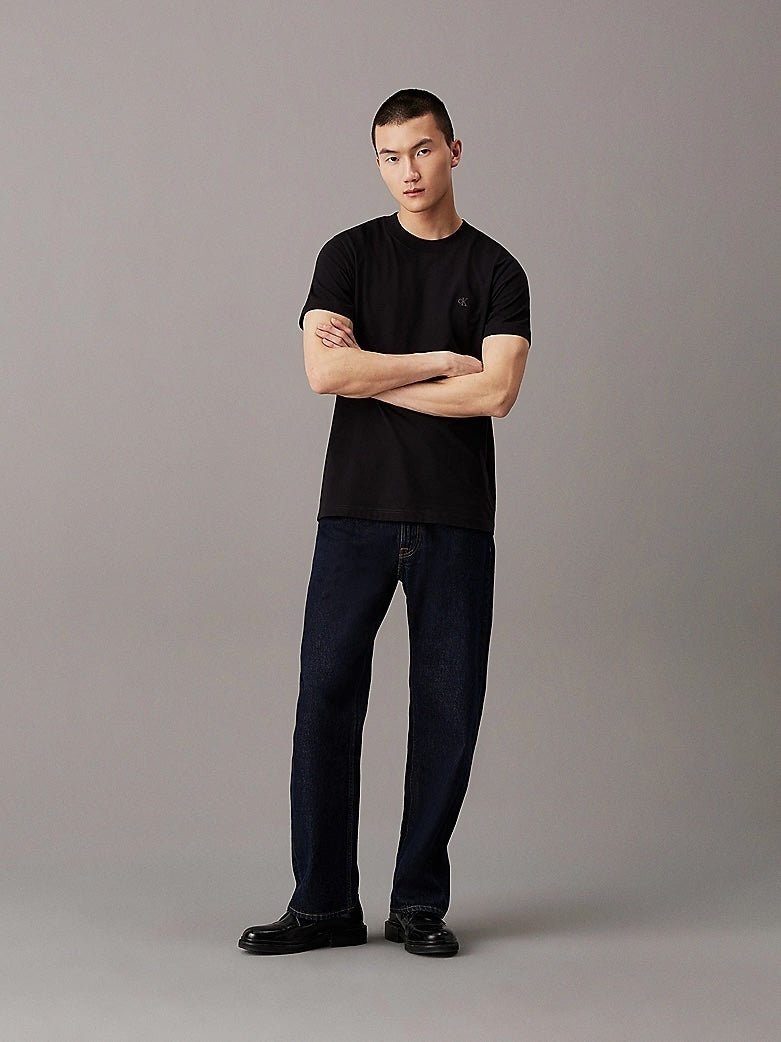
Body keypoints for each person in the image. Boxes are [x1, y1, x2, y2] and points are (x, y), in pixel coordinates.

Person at [239, 88, 531, 958]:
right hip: (354, 512)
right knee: (324, 699)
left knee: (447, 709)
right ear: (377, 162)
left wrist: (376, 373)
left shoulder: (496, 271)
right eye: (389, 156)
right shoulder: (348, 256)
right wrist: (439, 362)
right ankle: (323, 905)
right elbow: (324, 376)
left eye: (422, 150)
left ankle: (418, 905)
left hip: (454, 518)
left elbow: (497, 392)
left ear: (454, 151)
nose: (407, 171)